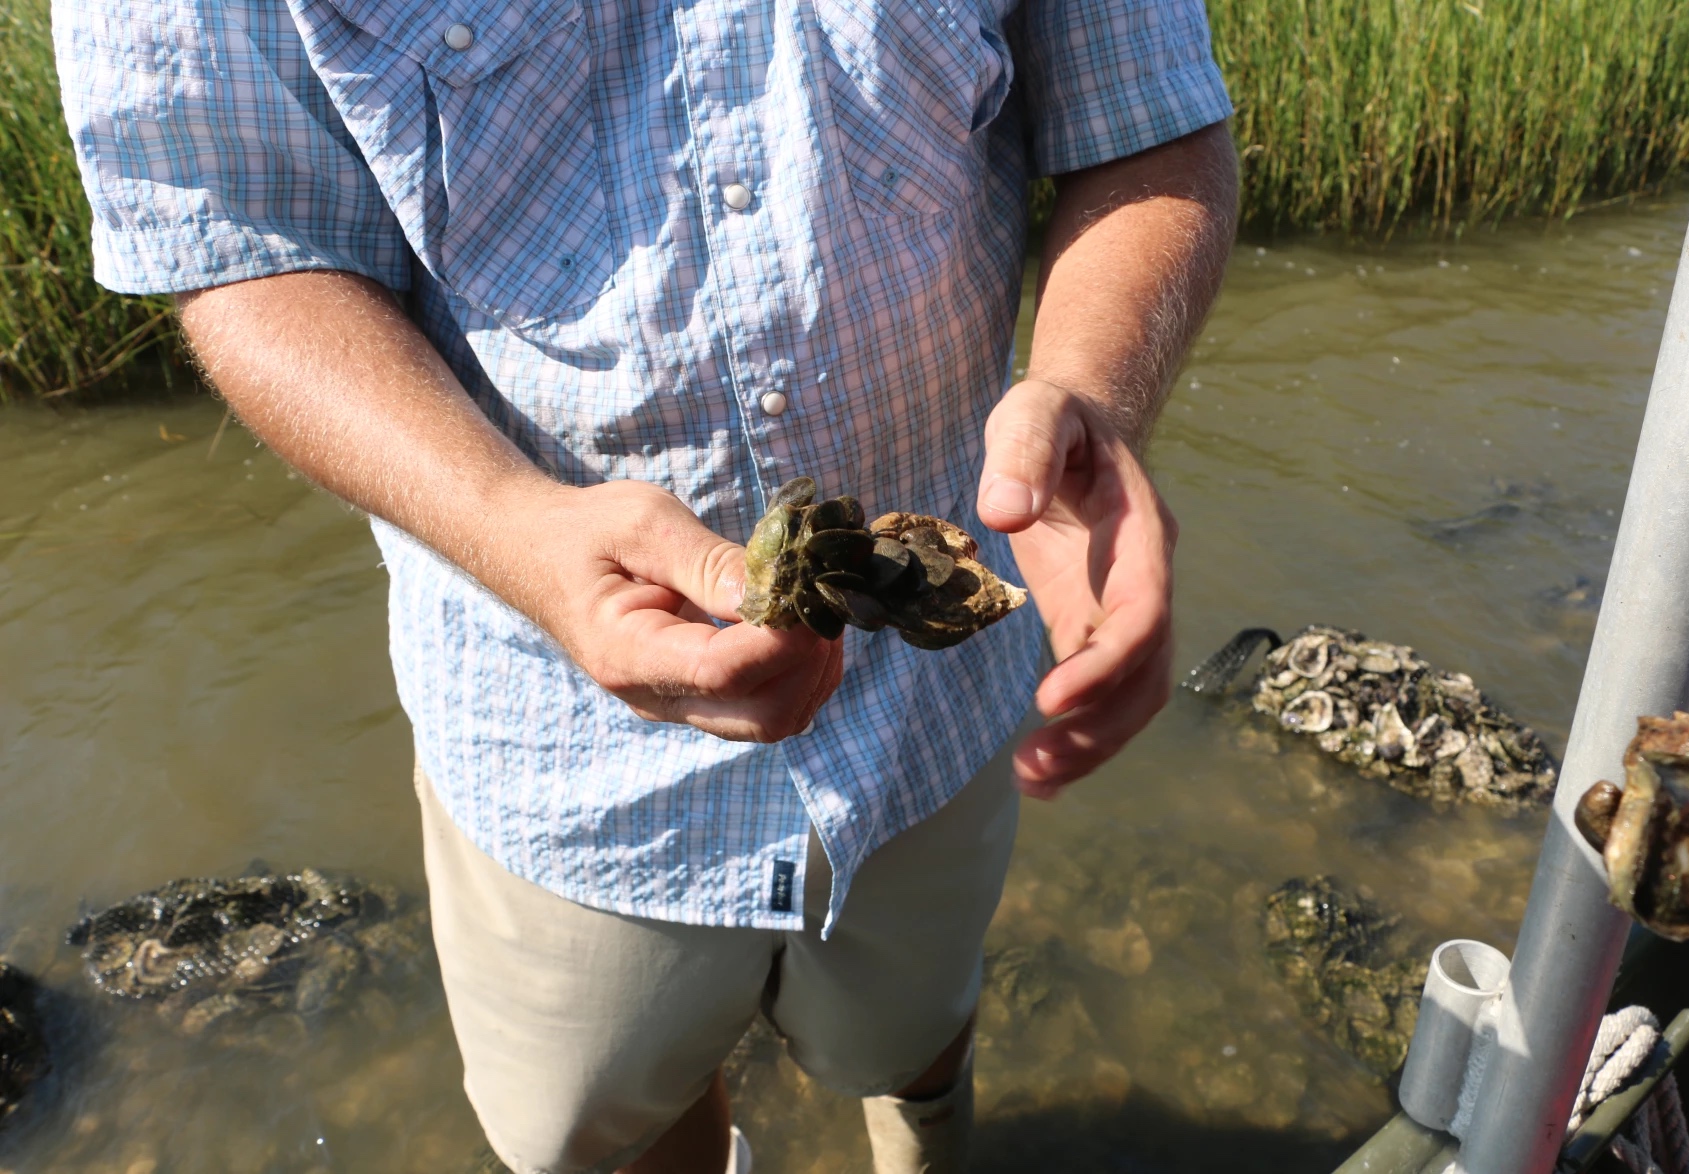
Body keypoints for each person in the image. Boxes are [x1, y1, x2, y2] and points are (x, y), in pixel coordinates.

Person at [52, 0, 1238, 1167]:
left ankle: (925, 1135)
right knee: (617, 1118)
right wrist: (511, 525)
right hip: (556, 732)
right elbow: (245, 243)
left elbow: (1145, 121)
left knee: (915, 1022)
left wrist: (1089, 403)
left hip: (931, 695)